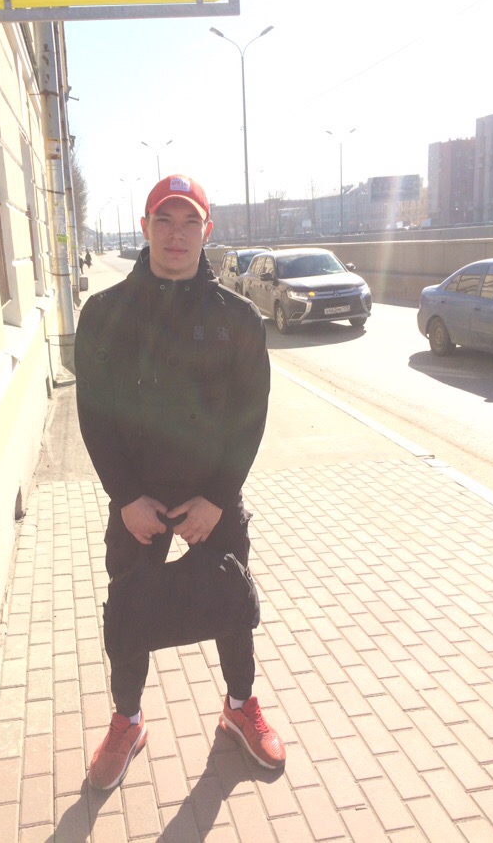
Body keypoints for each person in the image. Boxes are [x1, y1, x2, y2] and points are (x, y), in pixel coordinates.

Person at [74, 174, 285, 791]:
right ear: (144, 228)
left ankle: (239, 707)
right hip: (137, 501)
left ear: (207, 231)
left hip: (211, 496)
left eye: (189, 221)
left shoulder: (237, 319)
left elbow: (250, 416)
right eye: (163, 220)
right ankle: (127, 720)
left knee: (231, 603)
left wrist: (218, 498)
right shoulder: (105, 314)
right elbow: (94, 414)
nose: (176, 233)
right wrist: (124, 497)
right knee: (129, 609)